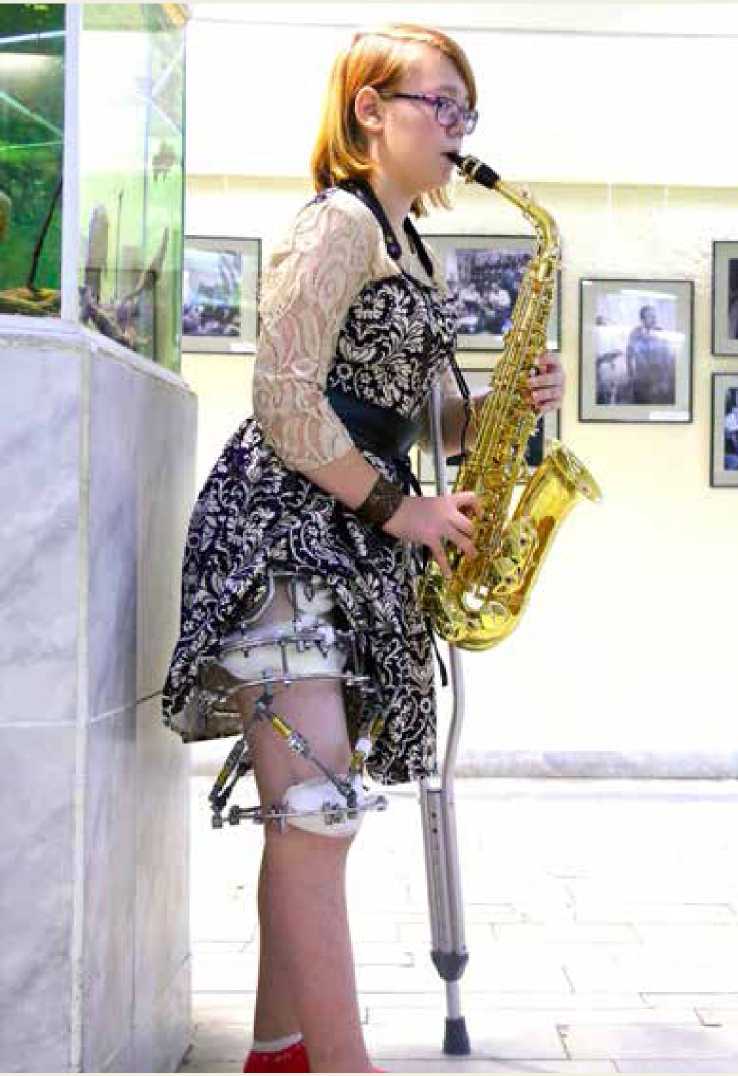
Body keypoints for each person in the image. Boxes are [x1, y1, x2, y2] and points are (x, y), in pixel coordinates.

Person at [160, 23, 565, 1075]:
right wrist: (402, 511)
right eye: (440, 104)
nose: (458, 129)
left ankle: (279, 1052)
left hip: (347, 529)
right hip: (284, 530)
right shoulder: (336, 224)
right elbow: (284, 398)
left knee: (311, 813)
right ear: (369, 112)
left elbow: (412, 420)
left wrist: (501, 411)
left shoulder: (404, 242)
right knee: (315, 810)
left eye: (465, 109)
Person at [625, 304, 676, 405]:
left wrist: (665, 380)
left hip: (658, 380)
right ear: (642, 319)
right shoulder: (635, 333)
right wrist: (631, 377)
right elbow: (629, 356)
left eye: (654, 316)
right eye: (650, 316)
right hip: (641, 380)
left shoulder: (661, 332)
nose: (654, 319)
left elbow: (667, 358)